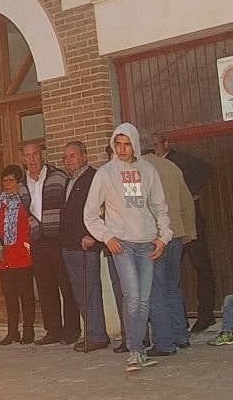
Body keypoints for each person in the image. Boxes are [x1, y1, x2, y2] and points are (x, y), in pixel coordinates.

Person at [83, 123, 172, 372]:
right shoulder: (105, 173)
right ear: (113, 144)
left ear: (134, 144)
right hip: (121, 244)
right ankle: (134, 351)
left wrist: (163, 237)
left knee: (143, 299)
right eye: (118, 144)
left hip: (146, 244)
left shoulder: (148, 170)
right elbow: (90, 214)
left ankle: (139, 350)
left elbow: (159, 206)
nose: (122, 149)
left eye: (127, 144)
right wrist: (106, 237)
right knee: (132, 296)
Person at [153, 134, 216, 332]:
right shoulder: (151, 165)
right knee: (171, 276)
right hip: (171, 229)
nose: (154, 149)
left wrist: (191, 191)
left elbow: (205, 168)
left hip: (190, 223)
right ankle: (178, 320)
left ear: (166, 144)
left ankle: (206, 315)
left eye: (156, 145)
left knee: (202, 268)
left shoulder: (179, 160)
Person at [141, 137, 196, 356]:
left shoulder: (140, 170)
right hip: (176, 234)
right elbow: (187, 200)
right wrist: (189, 230)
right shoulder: (171, 167)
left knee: (155, 289)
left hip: (153, 237)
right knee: (173, 286)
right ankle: (180, 335)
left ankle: (163, 342)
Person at [21, 141, 78, 346]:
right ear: (23, 159)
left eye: (35, 154)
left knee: (66, 284)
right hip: (37, 240)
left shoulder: (58, 176)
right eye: (27, 156)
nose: (32, 159)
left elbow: (69, 205)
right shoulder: (21, 184)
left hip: (59, 238)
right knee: (45, 287)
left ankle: (71, 331)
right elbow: (24, 211)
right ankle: (53, 330)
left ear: (42, 155)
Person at [60, 141, 109, 352]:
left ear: (84, 156)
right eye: (65, 157)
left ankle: (97, 335)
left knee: (89, 291)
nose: (68, 161)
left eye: (72, 156)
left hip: (85, 246)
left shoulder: (94, 178)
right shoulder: (70, 180)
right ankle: (92, 333)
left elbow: (106, 208)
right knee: (80, 293)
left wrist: (94, 237)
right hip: (70, 246)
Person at [0, 166, 37, 345]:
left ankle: (29, 330)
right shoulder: (0, 203)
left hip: (22, 254)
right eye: (4, 181)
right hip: (5, 256)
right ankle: (12, 331)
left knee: (26, 294)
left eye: (11, 181)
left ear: (18, 182)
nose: (7, 185)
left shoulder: (25, 201)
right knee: (9, 296)